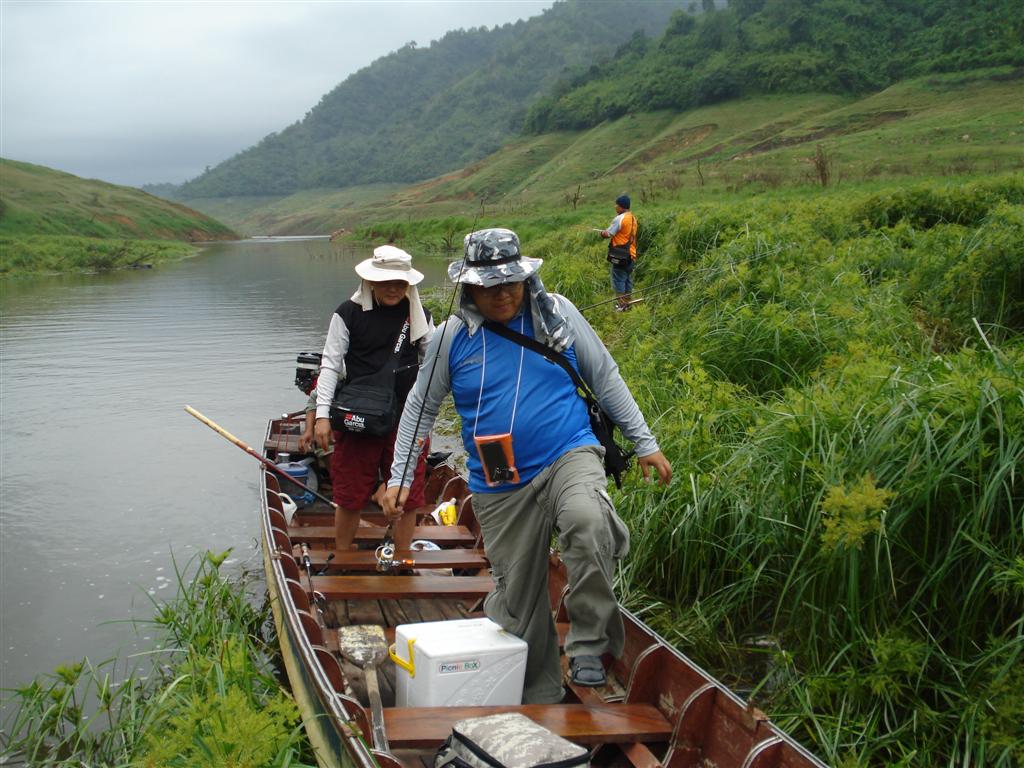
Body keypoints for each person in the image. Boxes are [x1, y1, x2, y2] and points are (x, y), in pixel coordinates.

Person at [383, 228, 671, 704]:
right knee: (518, 599)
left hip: (568, 452)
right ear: (470, 286)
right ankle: (541, 693)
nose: (504, 294)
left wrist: (646, 443)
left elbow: (606, 376)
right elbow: (419, 408)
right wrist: (398, 476)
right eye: (491, 286)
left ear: (525, 277)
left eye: (511, 282)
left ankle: (588, 644)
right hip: (499, 483)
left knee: (589, 521)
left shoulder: (557, 314)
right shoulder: (451, 338)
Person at [314, 245, 435, 553]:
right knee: (350, 494)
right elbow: (330, 364)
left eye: (400, 282)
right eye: (385, 281)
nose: (393, 288)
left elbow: (433, 367)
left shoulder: (420, 317)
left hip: (405, 421)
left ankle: (403, 559)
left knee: (409, 495)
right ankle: (342, 554)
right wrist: (322, 415)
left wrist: (426, 422)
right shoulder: (347, 314)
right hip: (358, 419)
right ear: (370, 281)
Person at [599, 194, 638, 311]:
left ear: (621, 207)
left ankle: (621, 307)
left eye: (617, 204)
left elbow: (608, 234)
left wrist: (602, 233)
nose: (615, 207)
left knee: (618, 280)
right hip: (631, 254)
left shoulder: (619, 219)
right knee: (627, 279)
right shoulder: (633, 218)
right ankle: (627, 304)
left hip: (620, 255)